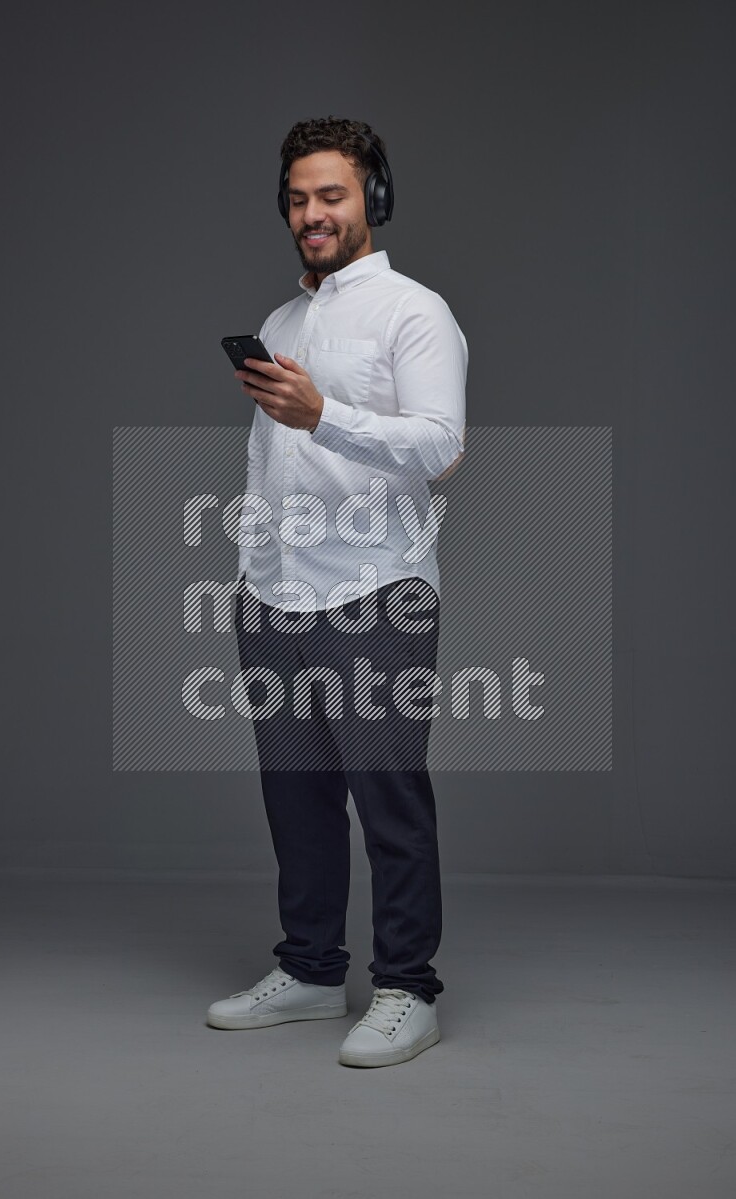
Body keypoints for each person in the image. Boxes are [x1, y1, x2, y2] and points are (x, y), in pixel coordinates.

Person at [206, 116, 468, 1068]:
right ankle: (313, 970)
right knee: (297, 795)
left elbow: (441, 446)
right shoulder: (280, 323)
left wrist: (327, 414)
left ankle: (408, 988)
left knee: (388, 795)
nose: (312, 213)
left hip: (377, 592)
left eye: (331, 195)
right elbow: (273, 461)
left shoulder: (415, 312)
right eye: (298, 198)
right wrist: (250, 565)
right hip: (275, 592)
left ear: (373, 200)